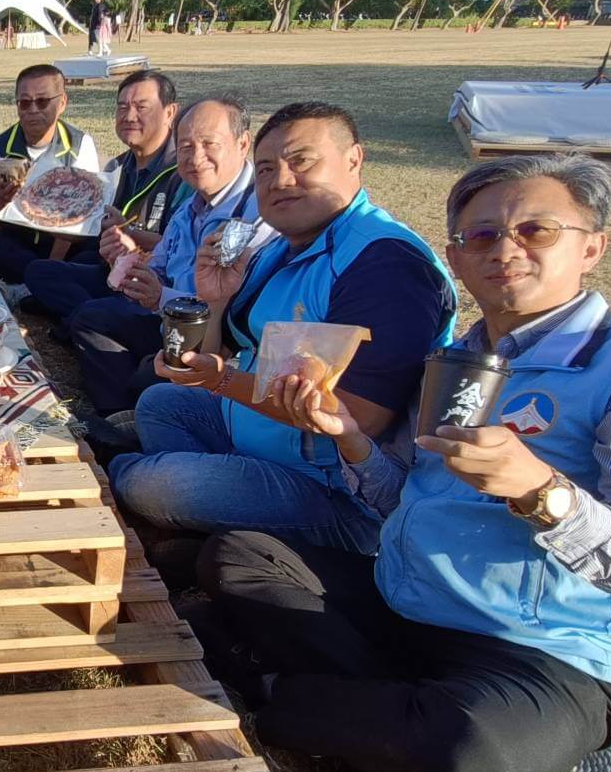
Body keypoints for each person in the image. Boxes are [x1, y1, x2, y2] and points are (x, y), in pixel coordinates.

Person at [191, 155, 611, 772]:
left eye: (536, 230)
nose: (505, 249)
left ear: (591, 247)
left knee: (467, 745)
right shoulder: (453, 361)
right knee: (238, 555)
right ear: (455, 256)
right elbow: (404, 499)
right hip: (407, 605)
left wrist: (543, 491)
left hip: (538, 650)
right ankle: (349, 714)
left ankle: (280, 695)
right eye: (481, 235)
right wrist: (349, 437)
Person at [105, 101, 457, 566]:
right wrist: (215, 301)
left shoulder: (384, 263)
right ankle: (214, 516)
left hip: (332, 487)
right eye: (267, 169)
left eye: (301, 161)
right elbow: (219, 353)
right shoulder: (285, 246)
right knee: (160, 403)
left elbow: (356, 418)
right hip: (260, 438)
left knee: (138, 479)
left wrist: (221, 380)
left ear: (354, 159)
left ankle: (197, 505)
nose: (281, 181)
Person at [32, 96, 273, 416]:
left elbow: (226, 309)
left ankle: (126, 411)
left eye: (209, 144)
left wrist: (160, 296)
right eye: (185, 147)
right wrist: (127, 262)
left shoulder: (256, 215)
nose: (195, 157)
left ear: (243, 144)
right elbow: (158, 264)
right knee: (71, 297)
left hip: (210, 336)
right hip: (166, 315)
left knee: (99, 326)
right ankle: (124, 409)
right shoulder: (191, 206)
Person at [20, 69, 193, 314]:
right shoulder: (116, 167)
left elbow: (181, 249)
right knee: (41, 270)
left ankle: (85, 317)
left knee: (89, 302)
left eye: (141, 107)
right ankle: (88, 314)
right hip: (113, 269)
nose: (129, 116)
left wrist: (128, 233)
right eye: (122, 107)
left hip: (152, 283)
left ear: (170, 112)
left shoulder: (183, 173)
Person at [0, 64, 102, 283]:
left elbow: (84, 216)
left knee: (94, 253)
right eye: (25, 102)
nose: (33, 110)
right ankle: (44, 282)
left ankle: (40, 281)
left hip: (65, 242)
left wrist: (51, 265)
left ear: (62, 102)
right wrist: (3, 200)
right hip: (18, 240)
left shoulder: (80, 145)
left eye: (43, 101)